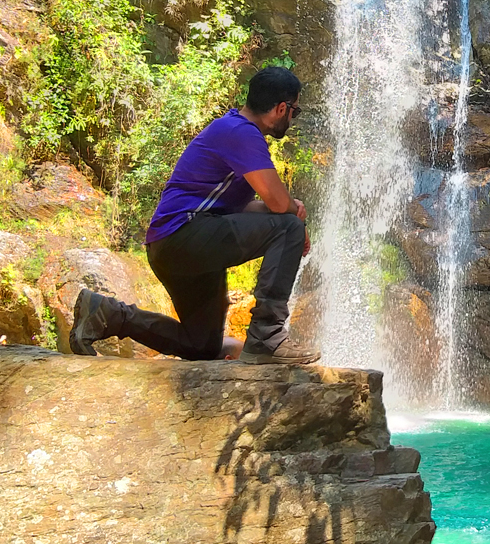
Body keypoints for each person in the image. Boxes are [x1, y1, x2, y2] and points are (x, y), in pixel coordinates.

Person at [69, 66, 320, 364]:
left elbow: (244, 209)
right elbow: (279, 205)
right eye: (295, 111)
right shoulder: (241, 133)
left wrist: (286, 210)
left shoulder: (232, 130)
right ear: (282, 108)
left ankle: (108, 313)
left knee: (201, 346)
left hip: (176, 245)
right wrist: (296, 216)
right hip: (184, 236)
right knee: (288, 226)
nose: (293, 119)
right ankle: (267, 335)